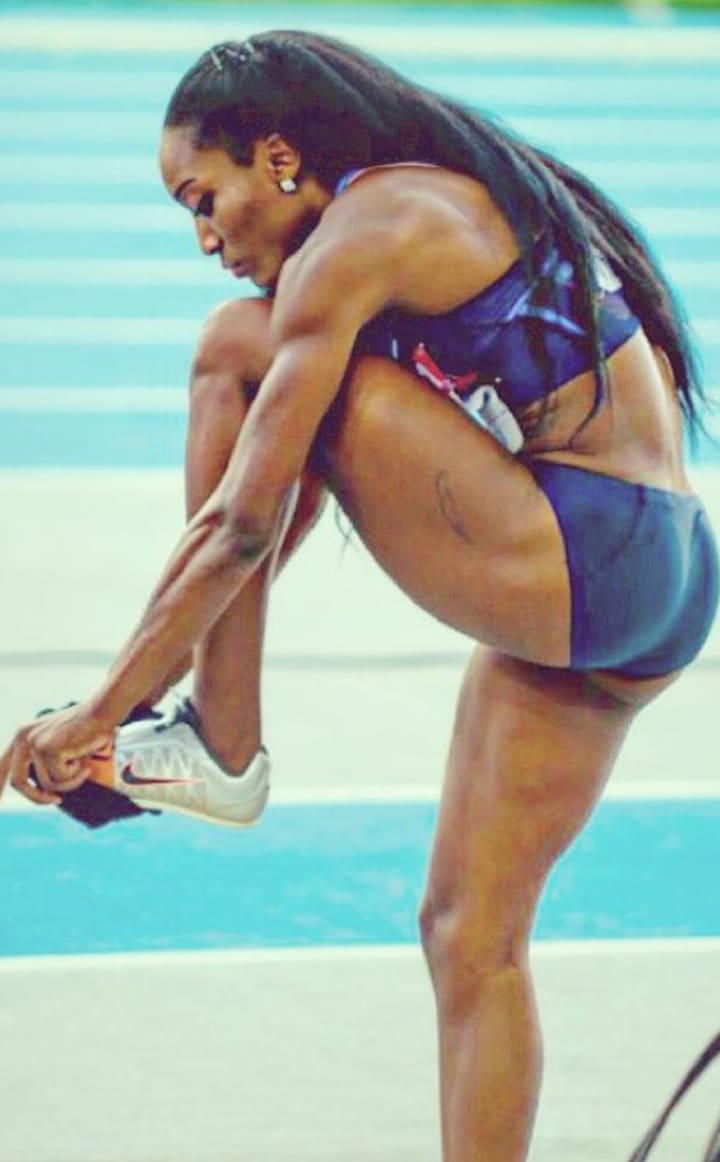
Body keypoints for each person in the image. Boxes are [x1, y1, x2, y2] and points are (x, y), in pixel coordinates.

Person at [1, 29, 718, 1161]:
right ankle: (216, 740)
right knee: (468, 937)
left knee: (231, 346)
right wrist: (149, 677)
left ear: (280, 157)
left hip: (588, 551)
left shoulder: (362, 233)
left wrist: (104, 709)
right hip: (655, 580)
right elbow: (269, 518)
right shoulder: (414, 211)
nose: (203, 237)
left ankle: (224, 744)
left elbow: (238, 527)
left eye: (204, 199)